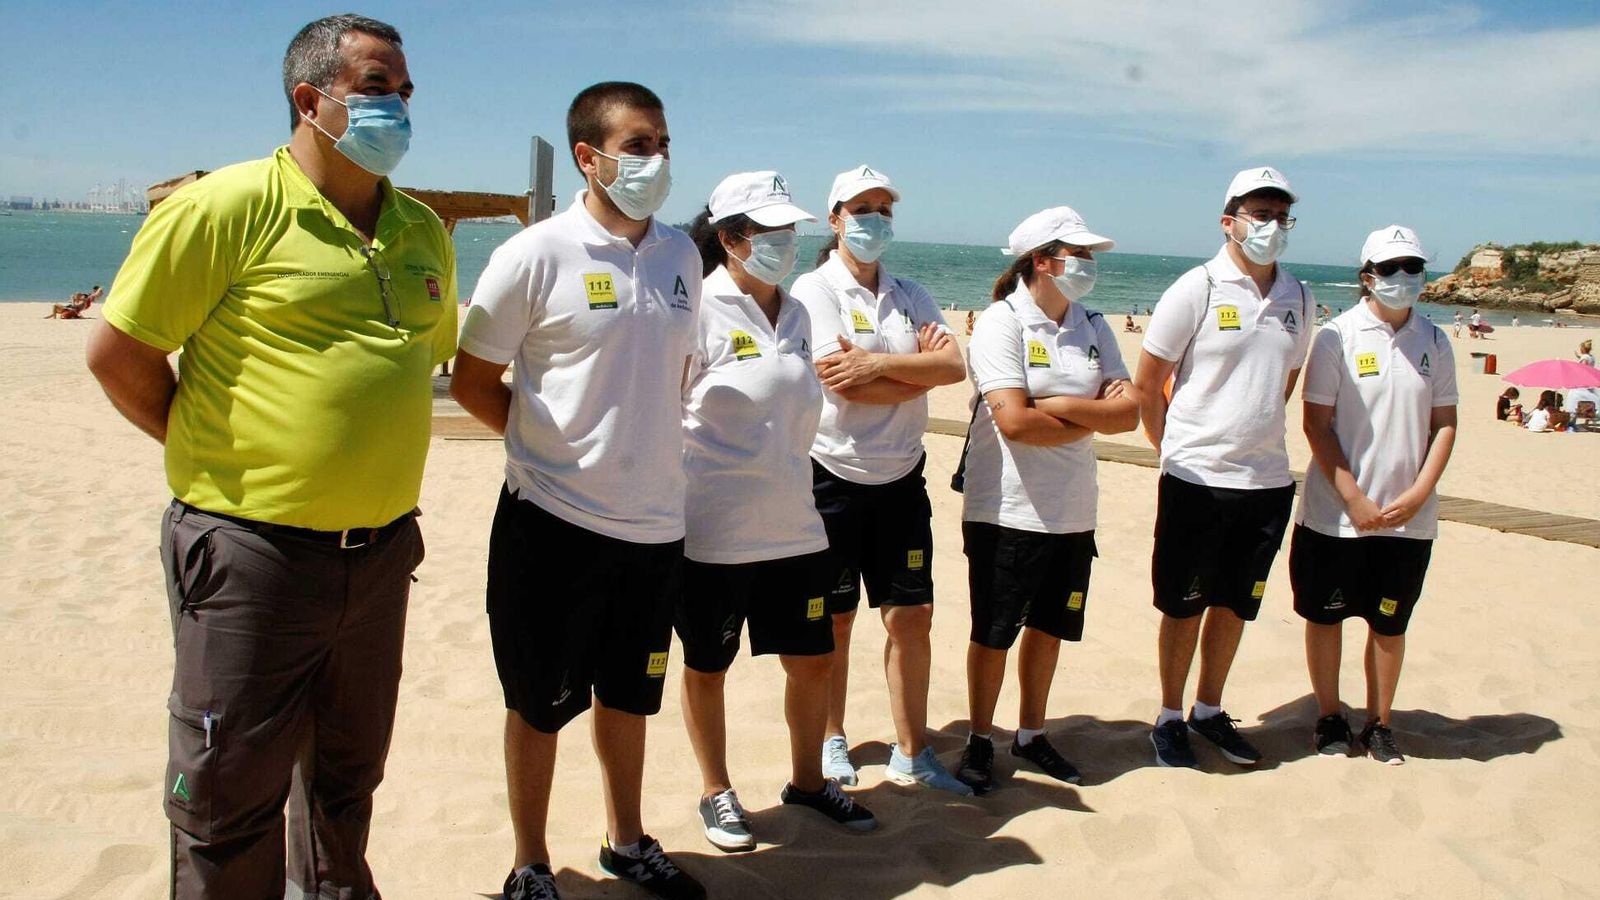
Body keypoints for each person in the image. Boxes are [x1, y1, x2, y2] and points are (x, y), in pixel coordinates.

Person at [84, 16, 453, 898]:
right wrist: (215, 457)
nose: (396, 105)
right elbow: (118, 354)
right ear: (310, 99)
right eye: (374, 88)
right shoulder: (226, 207)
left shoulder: (422, 230)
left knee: (344, 786)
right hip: (250, 557)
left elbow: (419, 357)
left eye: (404, 90)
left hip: (382, 556)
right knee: (227, 800)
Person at [451, 82, 705, 900]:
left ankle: (627, 841)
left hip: (656, 525)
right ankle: (529, 862)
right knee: (538, 704)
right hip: (551, 525)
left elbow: (676, 375)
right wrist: (548, 452)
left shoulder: (680, 256)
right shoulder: (535, 253)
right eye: (638, 146)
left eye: (662, 143)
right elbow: (474, 379)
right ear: (588, 159)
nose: (655, 161)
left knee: (630, 697)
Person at [677, 171, 876, 851]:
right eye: (770, 233)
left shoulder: (797, 314)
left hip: (795, 526)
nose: (786, 243)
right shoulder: (697, 310)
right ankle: (717, 791)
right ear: (731, 240)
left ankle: (808, 784)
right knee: (709, 665)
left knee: (812, 660)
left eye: (790, 232)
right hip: (715, 531)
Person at [791, 164, 971, 795]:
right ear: (835, 217)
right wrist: (908, 372)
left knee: (912, 615)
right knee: (836, 619)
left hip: (902, 478)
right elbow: (840, 381)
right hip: (832, 475)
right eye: (862, 208)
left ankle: (912, 751)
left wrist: (879, 365)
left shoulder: (910, 292)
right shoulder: (813, 291)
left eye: (884, 210)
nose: (874, 220)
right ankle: (832, 738)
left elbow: (953, 366)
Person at [1133, 166, 1314, 769]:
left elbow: (1283, 381)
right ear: (1229, 220)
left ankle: (1209, 709)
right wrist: (1174, 451)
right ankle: (1168, 716)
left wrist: (1249, 428)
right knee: (1183, 605)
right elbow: (1147, 381)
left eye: (1279, 215)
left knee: (1235, 604)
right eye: (1259, 213)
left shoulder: (1300, 296)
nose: (1270, 225)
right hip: (1196, 479)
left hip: (1265, 482)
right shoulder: (1197, 288)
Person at [953, 208, 1138, 793]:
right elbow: (1013, 422)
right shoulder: (1002, 324)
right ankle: (981, 737)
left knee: (1051, 627)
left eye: (1090, 256)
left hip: (1073, 508)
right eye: (1076, 254)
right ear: (1041, 260)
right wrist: (1092, 416)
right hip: (1006, 507)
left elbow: (1130, 414)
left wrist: (1057, 406)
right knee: (995, 630)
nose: (1087, 266)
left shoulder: (1094, 324)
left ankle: (1031, 732)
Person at [1293, 226, 1457, 765]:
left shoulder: (1434, 341)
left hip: (1407, 517)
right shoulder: (1338, 336)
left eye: (1412, 267)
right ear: (1367, 277)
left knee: (1389, 623)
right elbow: (1316, 426)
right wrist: (1354, 500)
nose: (1403, 278)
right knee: (1327, 617)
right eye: (1390, 269)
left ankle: (1381, 722)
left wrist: (1419, 493)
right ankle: (1329, 716)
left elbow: (1444, 425)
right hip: (1334, 515)